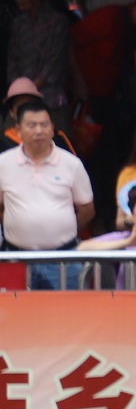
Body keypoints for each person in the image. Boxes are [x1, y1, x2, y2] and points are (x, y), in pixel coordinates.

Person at [0, 98, 94, 283]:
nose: (39, 131)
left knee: (65, 311)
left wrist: (60, 231)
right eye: (31, 125)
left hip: (63, 259)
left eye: (44, 125)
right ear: (18, 130)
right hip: (16, 259)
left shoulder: (71, 164)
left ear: (52, 128)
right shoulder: (3, 163)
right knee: (16, 312)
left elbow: (87, 210)